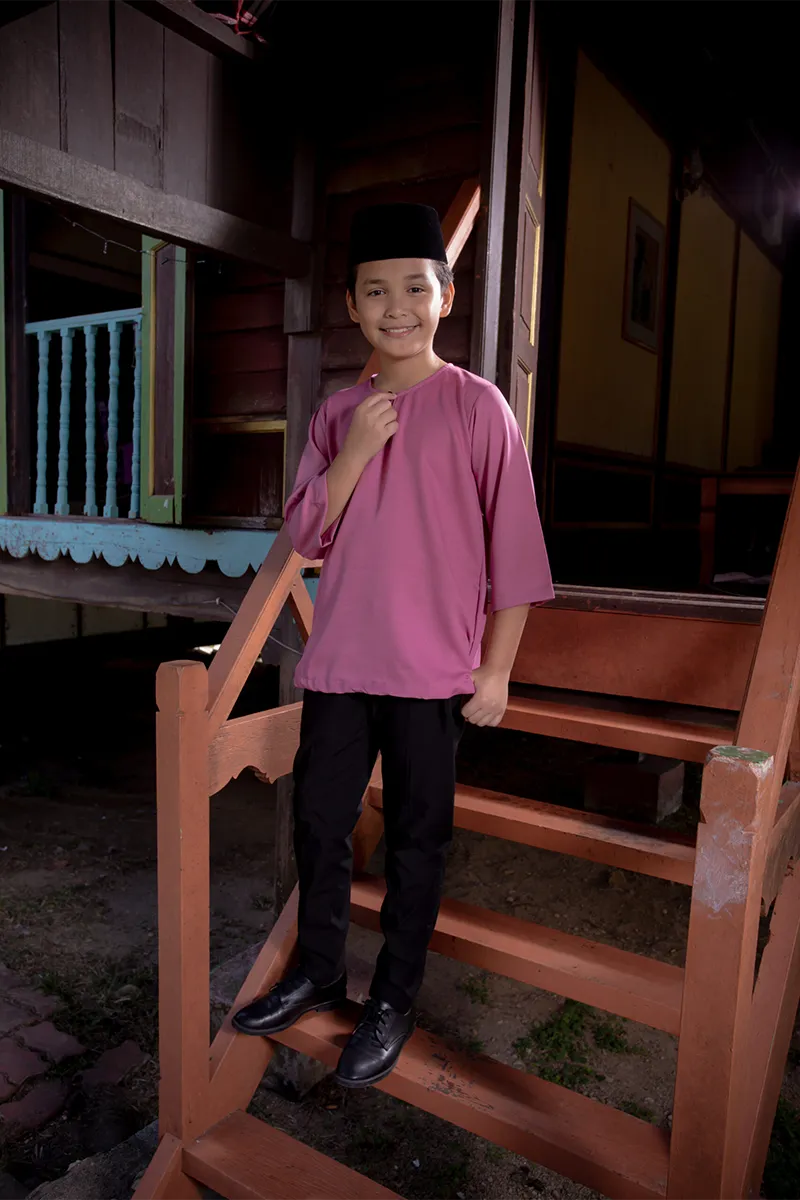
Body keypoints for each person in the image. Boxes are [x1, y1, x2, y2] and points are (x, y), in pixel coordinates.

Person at [233, 202, 553, 1087]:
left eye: (415, 288)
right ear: (352, 305)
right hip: (342, 664)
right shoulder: (340, 414)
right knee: (319, 821)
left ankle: (393, 999)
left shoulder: (479, 407)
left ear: (445, 298)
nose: (397, 307)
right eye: (375, 292)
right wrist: (354, 454)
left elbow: (517, 550)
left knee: (418, 839)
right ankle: (318, 972)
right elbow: (306, 533)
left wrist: (497, 670)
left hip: (434, 674)